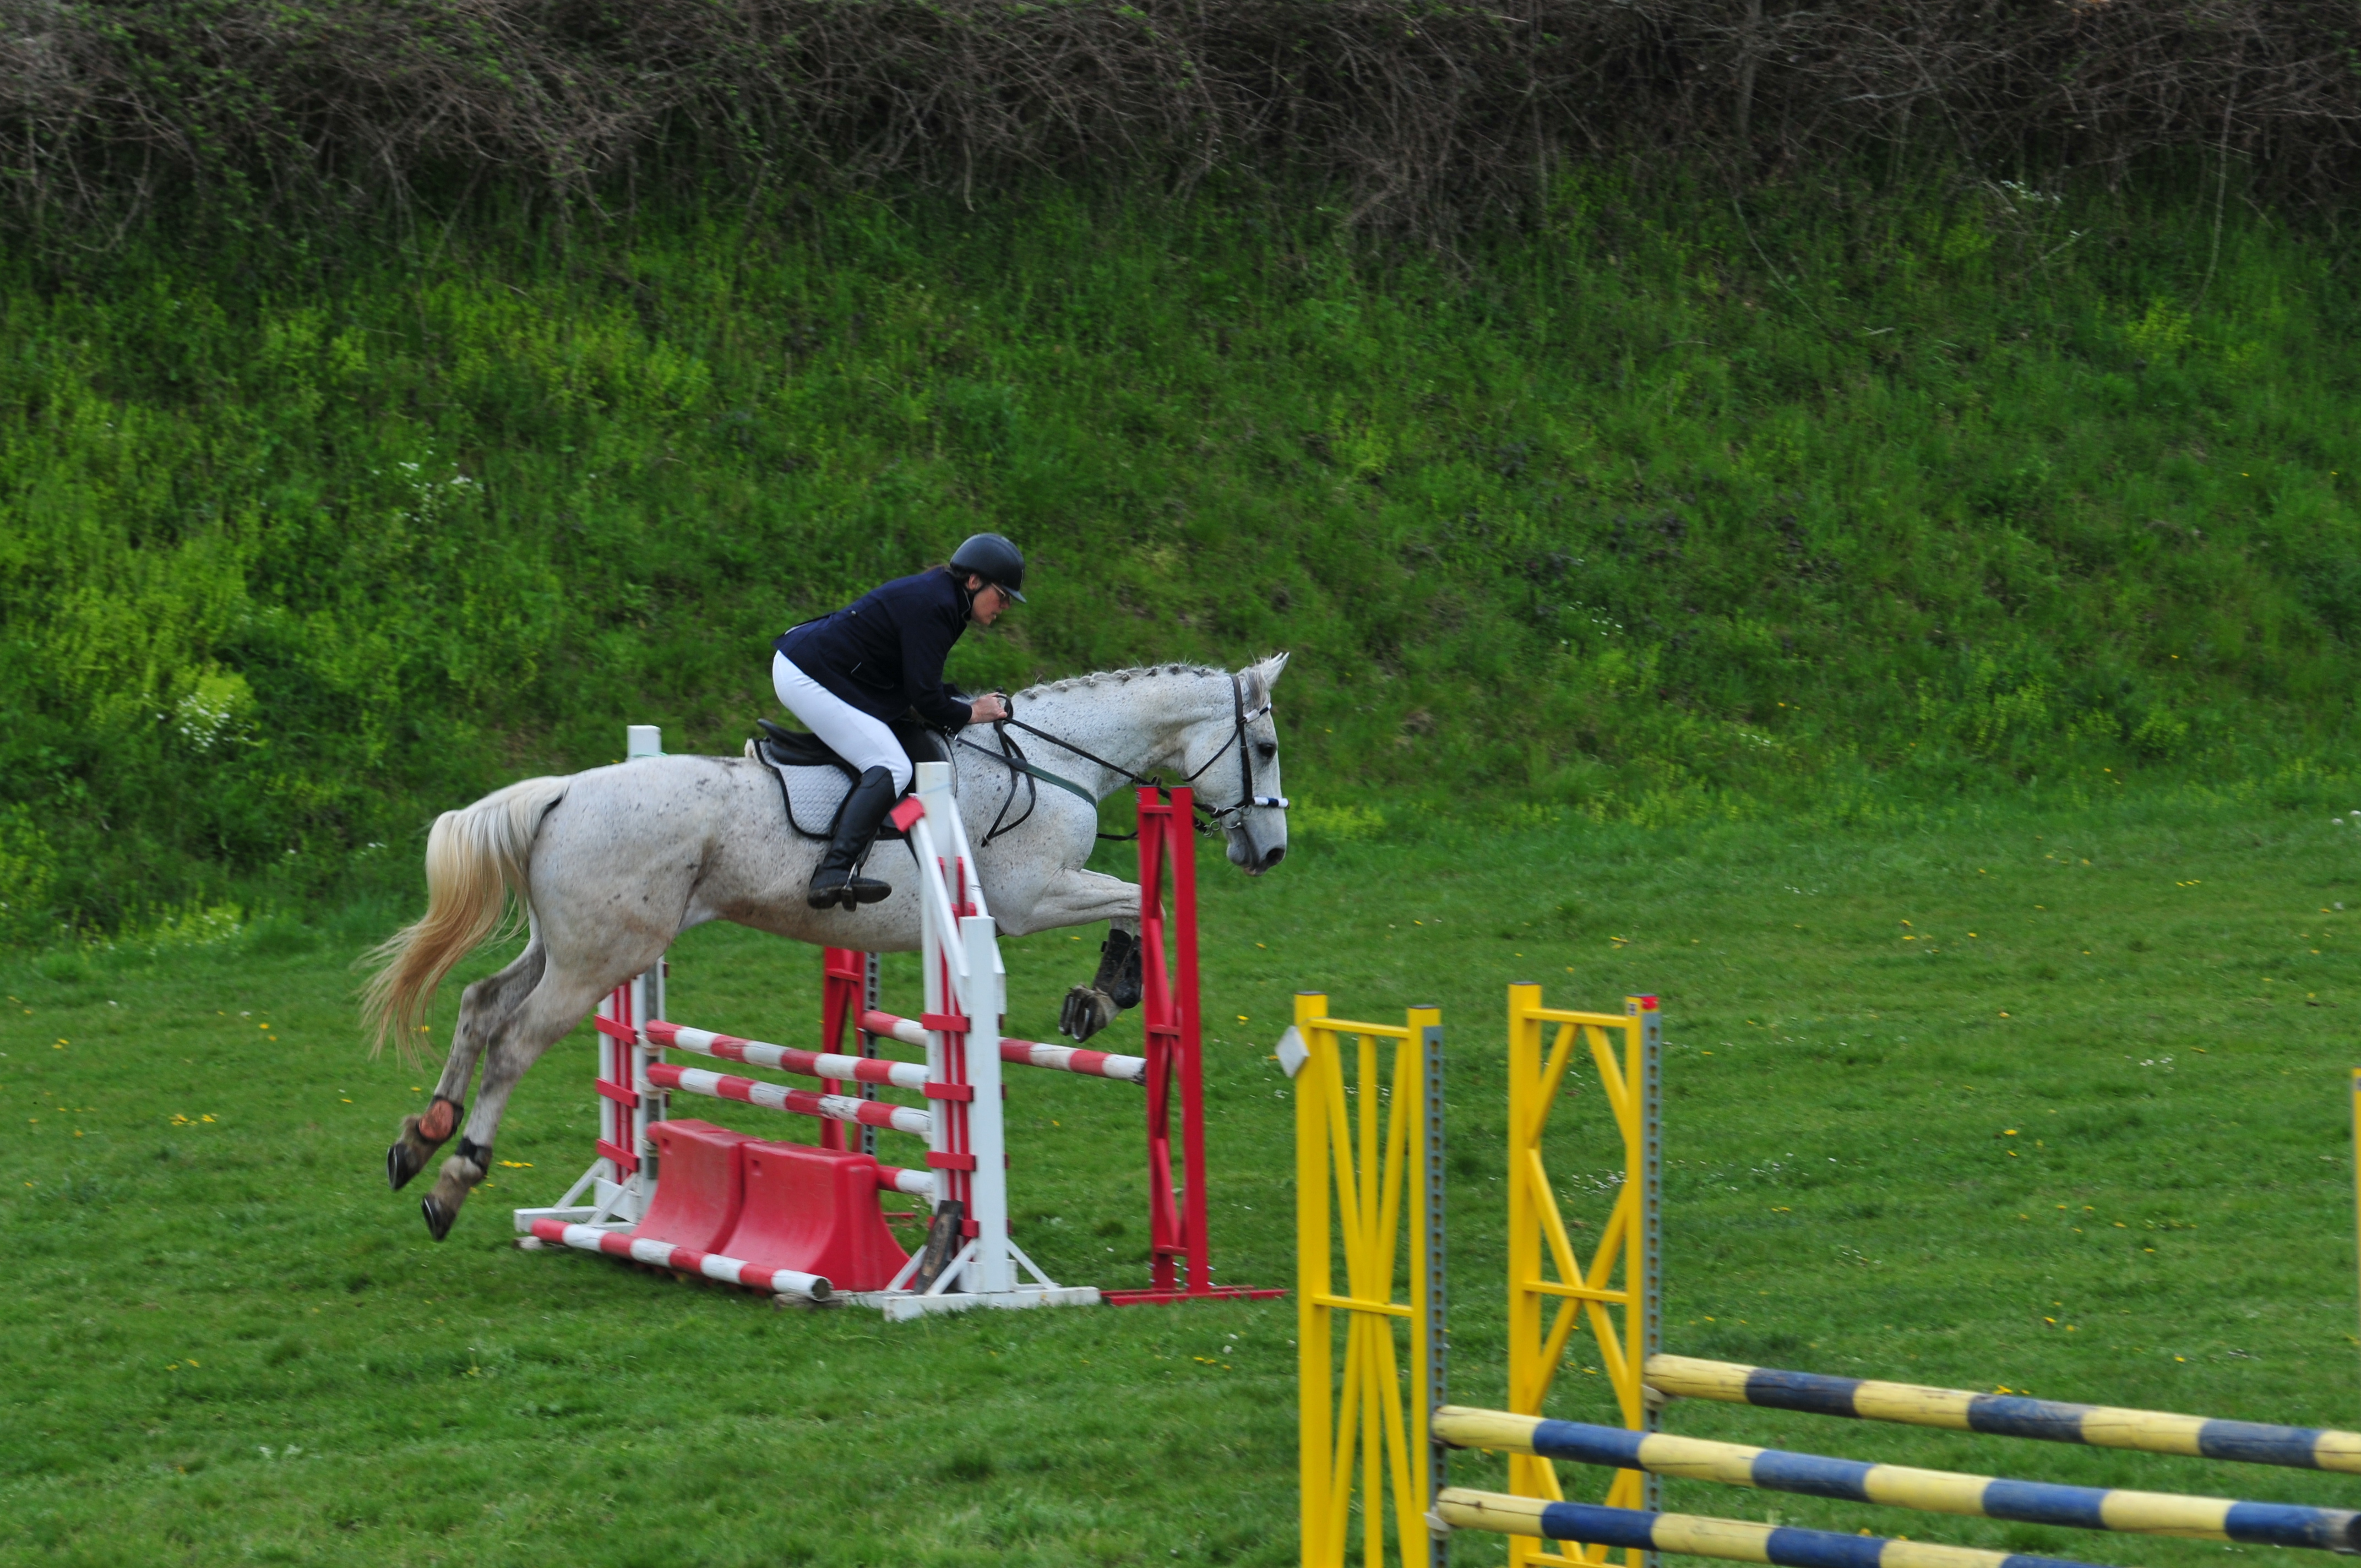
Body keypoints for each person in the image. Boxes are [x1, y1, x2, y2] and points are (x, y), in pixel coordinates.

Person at [772, 533, 1026, 908]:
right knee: (892, 765)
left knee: (920, 754)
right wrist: (972, 712)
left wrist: (961, 702)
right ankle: (834, 871)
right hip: (807, 673)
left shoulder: (946, 601)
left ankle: (906, 857)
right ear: (974, 581)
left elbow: (920, 682)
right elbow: (925, 698)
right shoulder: (938, 605)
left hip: (834, 669)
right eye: (1002, 595)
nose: (1005, 606)